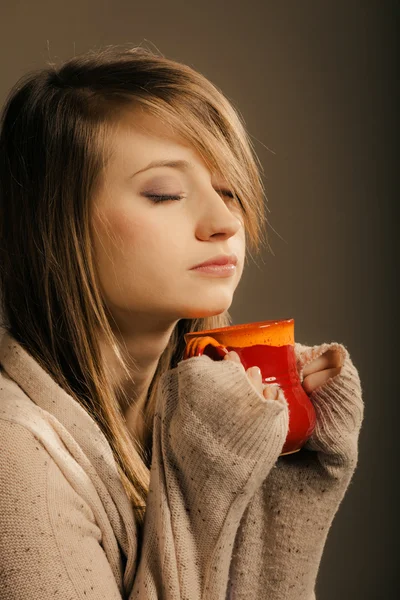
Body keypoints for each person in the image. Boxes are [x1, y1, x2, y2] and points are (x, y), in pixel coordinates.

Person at [0, 45, 364, 599]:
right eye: (165, 193)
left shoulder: (175, 417)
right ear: (57, 223)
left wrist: (276, 482)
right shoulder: (13, 457)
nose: (223, 221)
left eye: (229, 190)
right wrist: (208, 482)